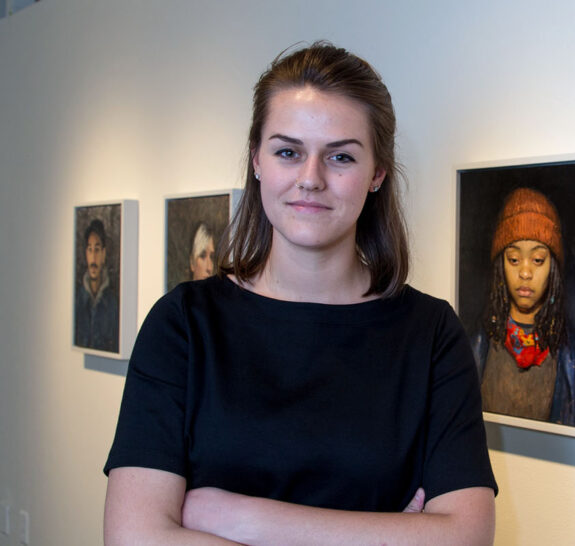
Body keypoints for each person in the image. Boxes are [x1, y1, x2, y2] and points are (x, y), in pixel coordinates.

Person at [104, 42, 497, 544]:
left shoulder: (432, 335)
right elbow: (133, 538)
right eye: (288, 151)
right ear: (257, 161)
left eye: (340, 157)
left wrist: (232, 516)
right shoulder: (183, 324)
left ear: (377, 173)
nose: (311, 179)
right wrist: (394, 532)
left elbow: (467, 537)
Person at [470, 187, 575, 430]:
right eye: (514, 260)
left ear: (553, 267)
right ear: (501, 265)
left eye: (538, 260)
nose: (526, 272)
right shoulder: (476, 349)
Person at [74, 218, 119, 352]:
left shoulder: (113, 303)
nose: (93, 258)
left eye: (97, 250)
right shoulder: (76, 300)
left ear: (104, 254)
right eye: (90, 250)